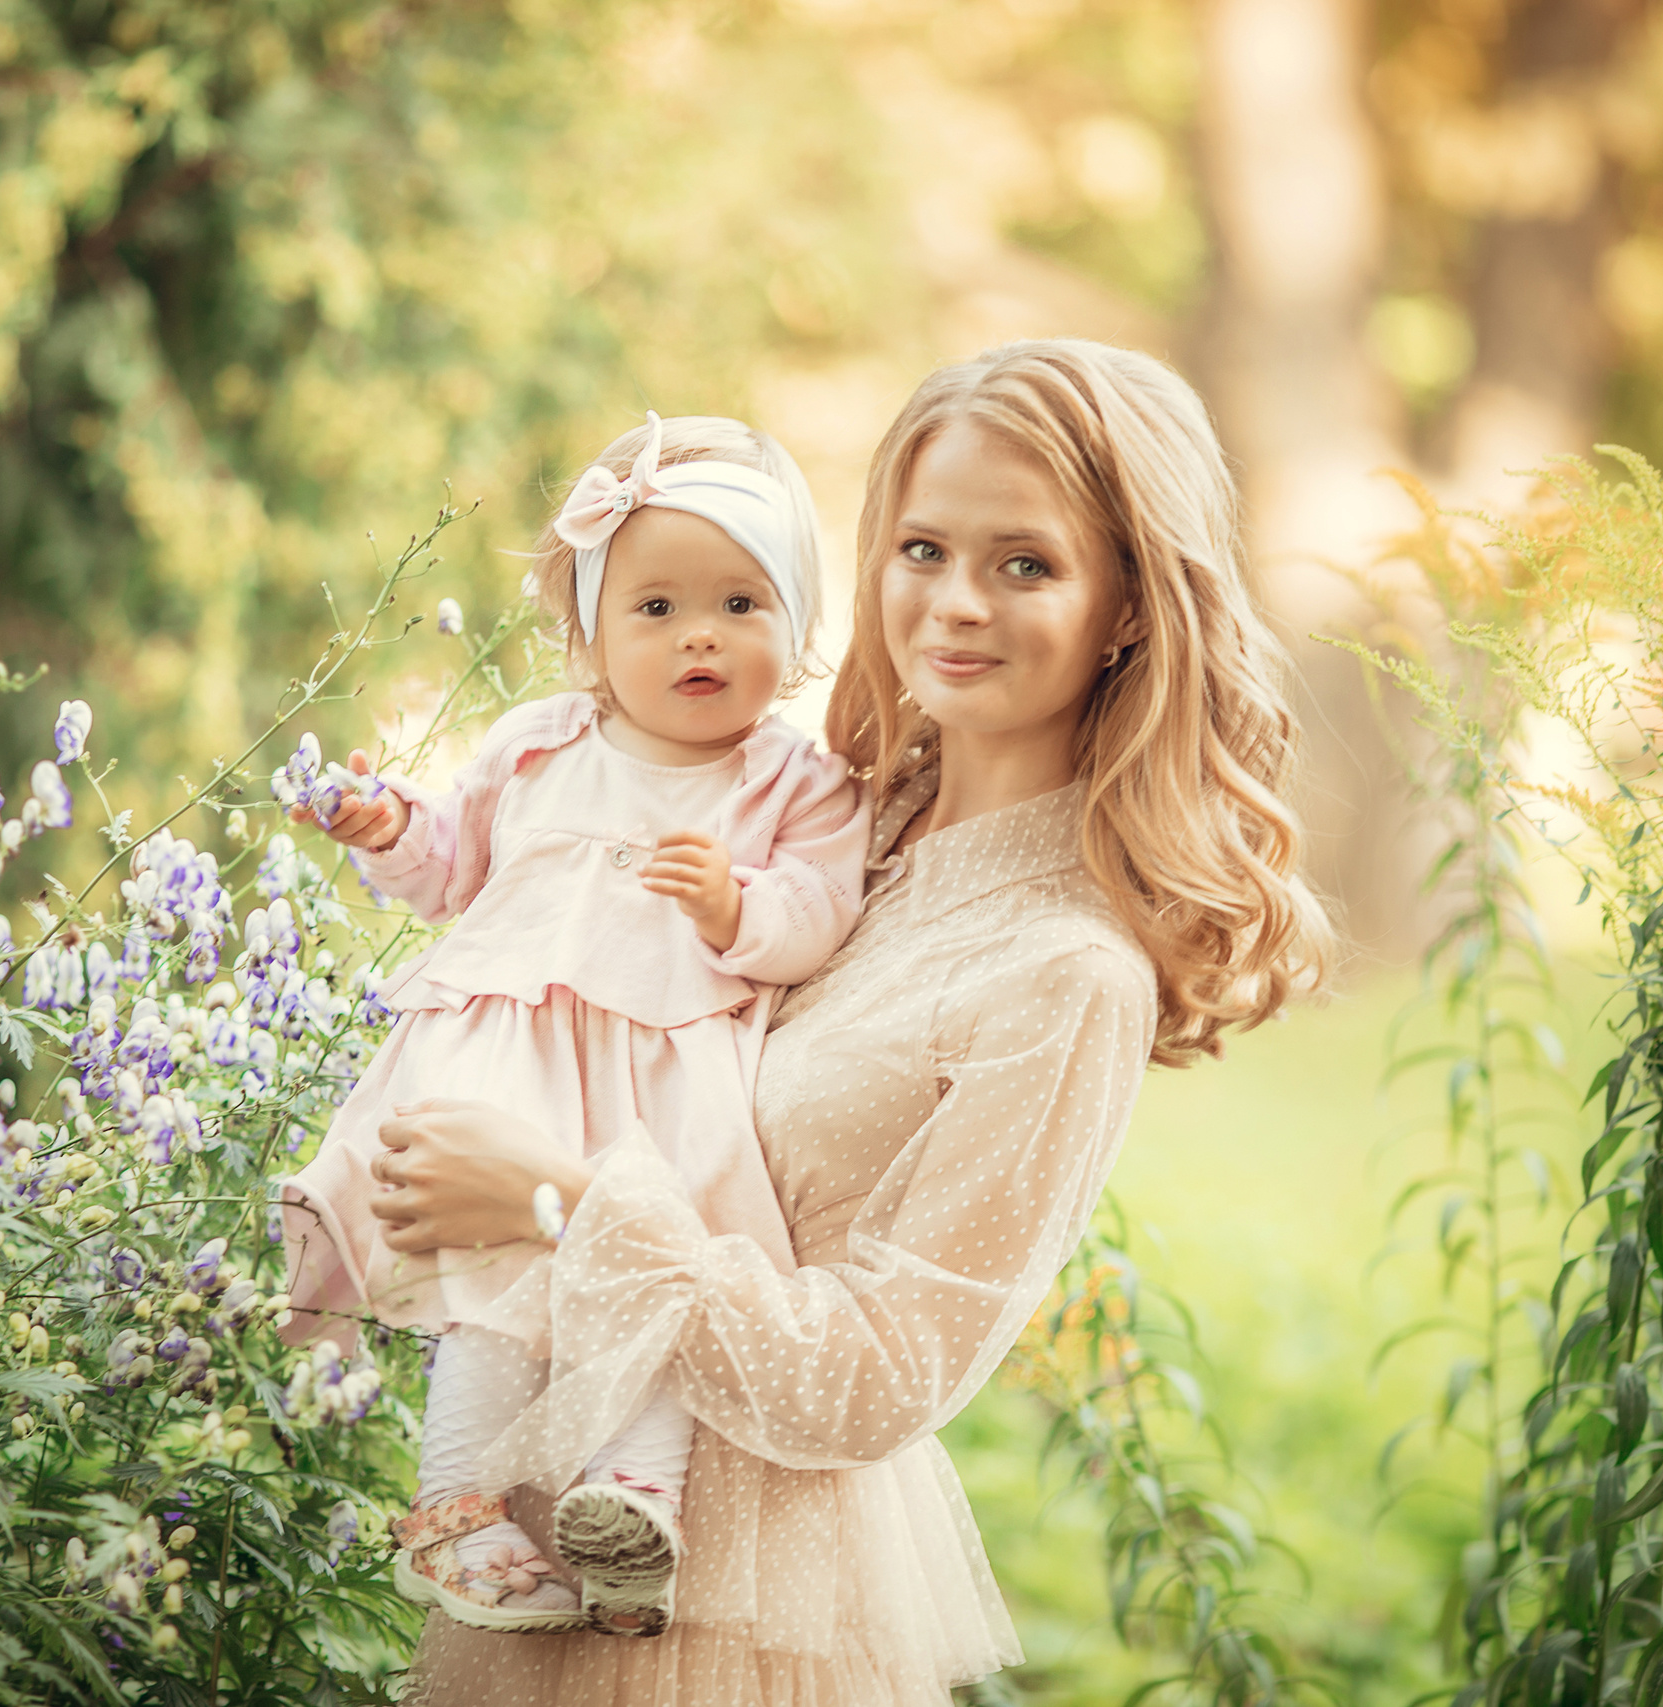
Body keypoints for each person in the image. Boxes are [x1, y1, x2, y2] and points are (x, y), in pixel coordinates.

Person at [358, 340, 1339, 1704]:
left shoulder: (1064, 974)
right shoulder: (811, 826)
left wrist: (559, 1205)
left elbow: (874, 1379)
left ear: (1126, 606)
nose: (955, 603)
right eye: (923, 549)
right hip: (540, 1532)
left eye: (1026, 563)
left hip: (748, 1601)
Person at [279, 413, 870, 1637]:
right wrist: (390, 830)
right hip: (507, 1068)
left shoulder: (792, 780)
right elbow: (453, 869)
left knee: (654, 1260)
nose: (699, 633)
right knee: (504, 1284)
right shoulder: (539, 746)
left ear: (796, 624)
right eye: (655, 607)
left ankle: (634, 1499)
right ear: (591, 635)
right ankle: (453, 1507)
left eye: (740, 604)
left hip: (668, 1077)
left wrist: (735, 905)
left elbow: (820, 910)